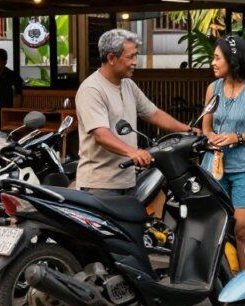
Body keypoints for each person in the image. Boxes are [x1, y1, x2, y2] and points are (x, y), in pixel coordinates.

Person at [76, 29, 193, 197]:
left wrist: (188, 131)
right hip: (101, 184)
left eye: (135, 56)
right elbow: (101, 134)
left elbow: (153, 114)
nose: (135, 62)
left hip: (128, 179)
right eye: (130, 57)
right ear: (111, 58)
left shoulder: (128, 84)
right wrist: (133, 152)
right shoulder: (92, 89)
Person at [202, 35, 245, 271]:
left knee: (242, 229)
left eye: (216, 58)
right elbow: (206, 125)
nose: (212, 62)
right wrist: (210, 138)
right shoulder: (213, 88)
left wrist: (237, 137)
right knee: (215, 229)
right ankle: (219, 283)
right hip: (215, 167)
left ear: (232, 60)